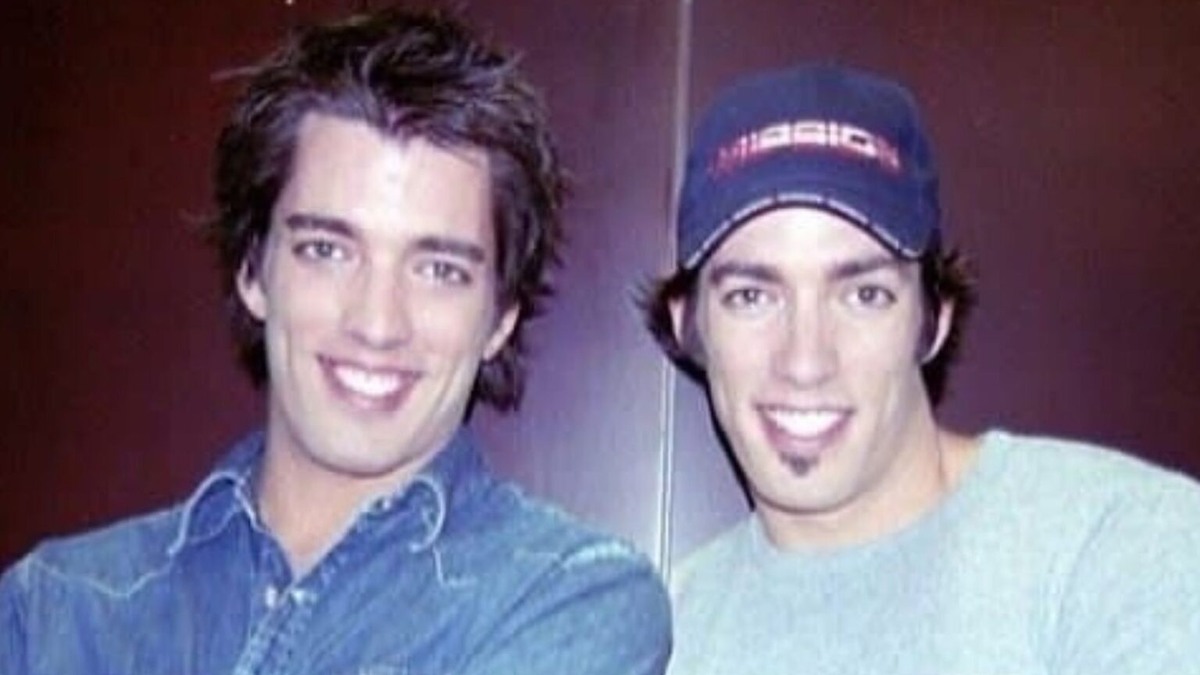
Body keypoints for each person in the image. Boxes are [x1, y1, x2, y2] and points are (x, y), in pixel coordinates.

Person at [1, 7, 670, 674]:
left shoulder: (571, 597)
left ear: (500, 318)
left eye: (439, 270)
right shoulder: (55, 607)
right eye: (327, 250)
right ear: (253, 270)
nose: (376, 324)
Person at [642, 63, 1200, 674]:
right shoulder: (664, 636)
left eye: (864, 295)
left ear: (933, 320)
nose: (805, 361)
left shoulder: (1115, 547)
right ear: (687, 324)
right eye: (752, 296)